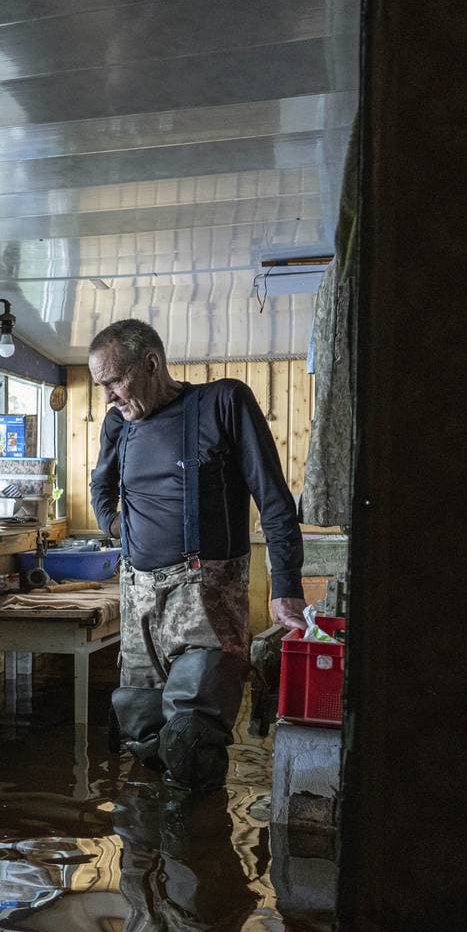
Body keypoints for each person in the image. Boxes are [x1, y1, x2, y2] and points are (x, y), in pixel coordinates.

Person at [88, 319, 304, 788]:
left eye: (114, 381)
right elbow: (100, 486)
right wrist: (118, 529)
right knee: (143, 740)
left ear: (151, 364)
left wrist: (285, 587)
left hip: (204, 598)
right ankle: (149, 855)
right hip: (137, 599)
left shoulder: (222, 403)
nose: (108, 396)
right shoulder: (117, 424)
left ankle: (202, 856)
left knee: (191, 743)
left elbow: (273, 498)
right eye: (101, 385)